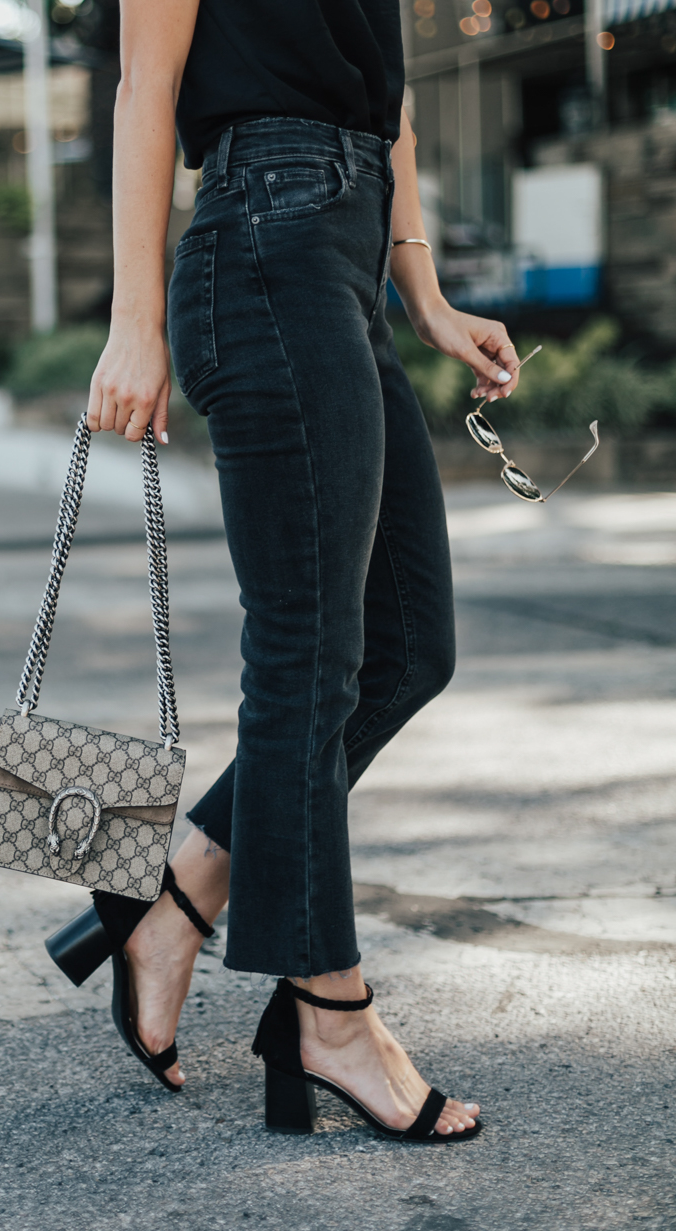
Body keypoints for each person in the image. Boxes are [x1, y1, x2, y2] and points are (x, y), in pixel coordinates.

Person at [74, 0, 522, 1140]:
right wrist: (134, 320)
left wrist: (420, 292)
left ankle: (174, 896)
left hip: (346, 260)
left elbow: (386, 95)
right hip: (261, 244)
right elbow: (145, 83)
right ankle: (327, 1010)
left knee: (409, 647)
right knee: (305, 655)